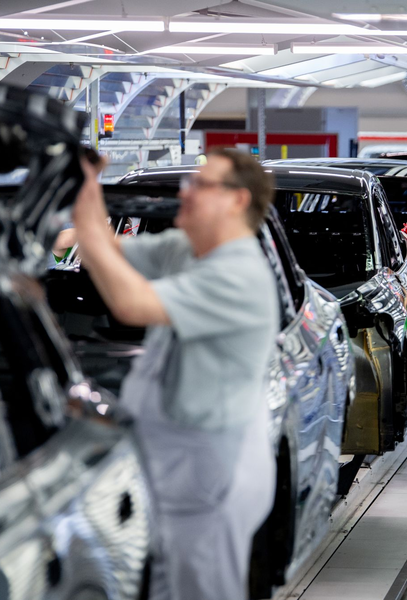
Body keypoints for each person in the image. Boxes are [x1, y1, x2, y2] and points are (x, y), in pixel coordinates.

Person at [72, 148, 279, 600]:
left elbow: (130, 303)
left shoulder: (240, 274)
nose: (185, 194)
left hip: (212, 469)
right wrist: (72, 216)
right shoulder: (189, 251)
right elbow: (103, 250)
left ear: (236, 200)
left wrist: (87, 209)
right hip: (180, 465)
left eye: (200, 185)